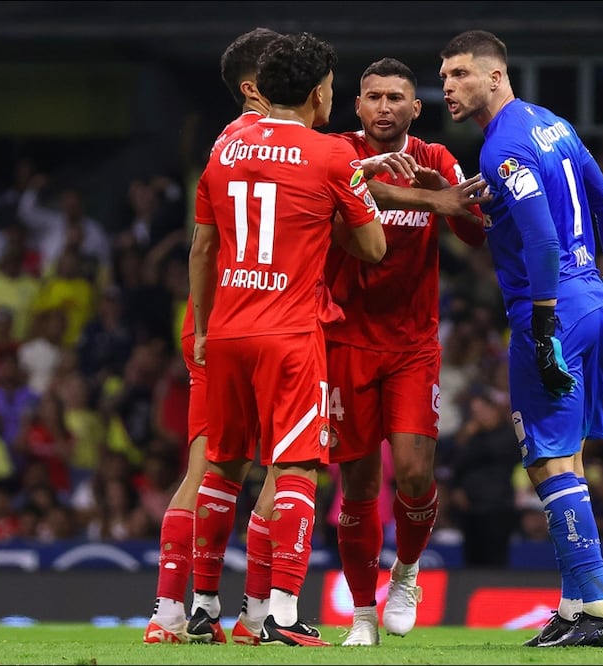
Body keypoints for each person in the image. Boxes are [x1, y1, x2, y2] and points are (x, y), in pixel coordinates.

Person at [439, 30, 603, 648]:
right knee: (570, 459)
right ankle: (576, 605)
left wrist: (544, 326)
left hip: (549, 309)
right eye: (444, 77)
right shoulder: (553, 124)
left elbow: (544, 242)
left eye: (460, 75)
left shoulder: (503, 149)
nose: (448, 87)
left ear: (495, 76)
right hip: (595, 302)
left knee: (547, 462)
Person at [187, 31, 388, 647]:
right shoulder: (331, 157)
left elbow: (205, 240)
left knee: (221, 466)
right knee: (296, 467)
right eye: (331, 87)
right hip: (290, 333)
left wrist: (198, 327)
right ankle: (278, 612)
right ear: (317, 93)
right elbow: (375, 247)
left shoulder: (225, 144)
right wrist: (342, 201)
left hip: (225, 329)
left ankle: (200, 608)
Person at [322, 57, 486, 647]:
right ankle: (362, 614)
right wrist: (431, 203)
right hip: (344, 339)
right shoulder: (337, 153)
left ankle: (407, 572)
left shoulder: (438, 159)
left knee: (415, 476)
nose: (385, 107)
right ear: (358, 105)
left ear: (417, 108)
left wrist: (447, 197)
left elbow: (474, 229)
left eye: (397, 97)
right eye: (374, 97)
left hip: (414, 344)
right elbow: (352, 188)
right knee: (359, 488)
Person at [143, 26, 281, 646]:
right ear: (255, 88)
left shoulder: (227, 145)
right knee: (260, 465)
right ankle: (240, 612)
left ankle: (186, 610)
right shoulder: (259, 145)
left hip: (217, 319)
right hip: (241, 319)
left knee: (223, 465)